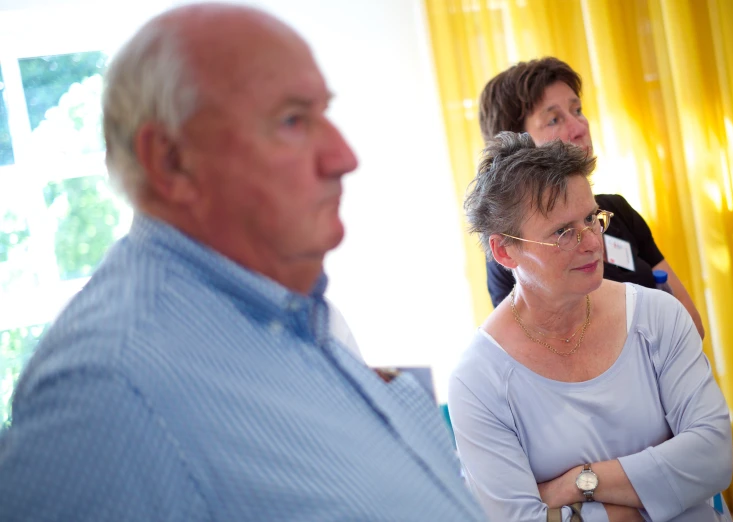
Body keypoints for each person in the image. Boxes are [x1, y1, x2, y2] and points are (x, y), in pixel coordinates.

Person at [0, 4, 486, 521]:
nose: (343, 156)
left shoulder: (290, 316)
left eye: (324, 113)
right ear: (171, 162)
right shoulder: (107, 389)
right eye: (293, 120)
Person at [450, 131, 733, 521]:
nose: (591, 243)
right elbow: (517, 518)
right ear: (504, 250)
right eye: (563, 232)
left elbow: (713, 456)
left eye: (590, 219)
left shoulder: (656, 316)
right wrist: (639, 506)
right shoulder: (478, 378)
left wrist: (577, 485)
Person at [478, 58, 705, 339]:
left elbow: (691, 327)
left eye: (577, 110)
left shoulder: (616, 209)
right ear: (515, 145)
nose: (578, 127)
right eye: (554, 119)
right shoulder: (514, 247)